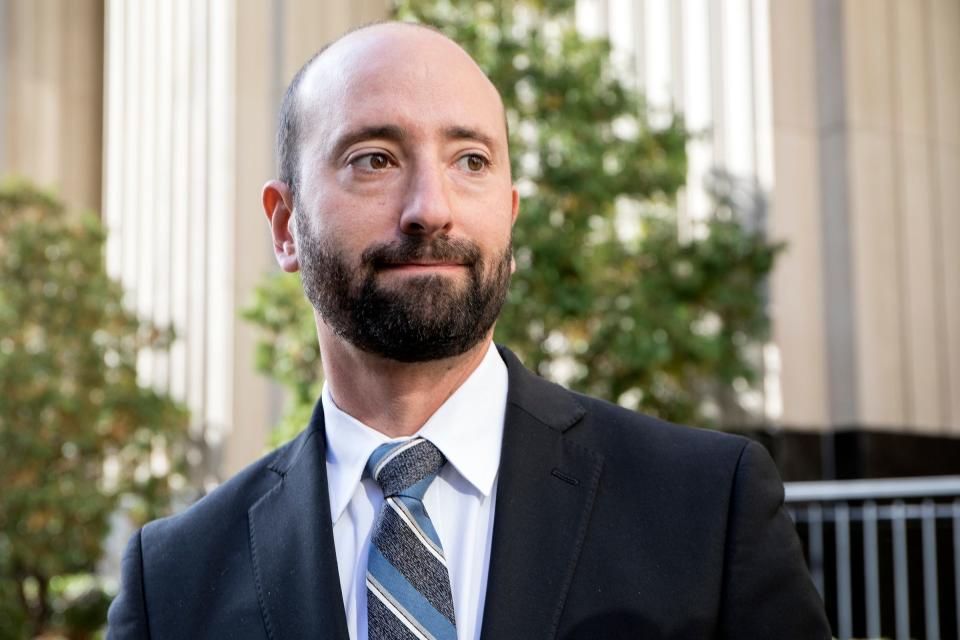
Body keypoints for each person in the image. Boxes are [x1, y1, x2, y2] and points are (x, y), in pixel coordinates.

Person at [107, 21, 830, 640]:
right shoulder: (171, 583)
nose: (431, 208)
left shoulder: (707, 509)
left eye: (471, 161)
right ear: (285, 225)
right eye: (375, 159)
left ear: (510, 213)